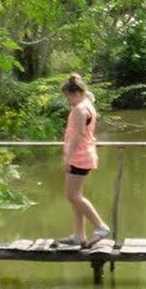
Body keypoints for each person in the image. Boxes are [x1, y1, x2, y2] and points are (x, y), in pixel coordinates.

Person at [59, 74, 110, 247]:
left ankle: (100, 226)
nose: (68, 101)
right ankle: (78, 236)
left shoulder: (80, 109)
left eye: (68, 96)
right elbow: (88, 95)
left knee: (72, 196)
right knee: (75, 197)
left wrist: (68, 157)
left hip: (79, 157)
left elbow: (78, 135)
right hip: (84, 155)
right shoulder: (87, 102)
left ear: (74, 93)